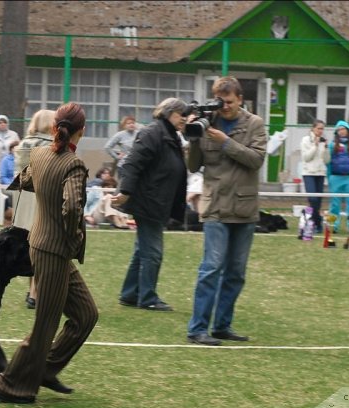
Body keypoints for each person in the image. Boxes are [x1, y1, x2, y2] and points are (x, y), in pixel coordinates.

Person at [0, 102, 98, 404]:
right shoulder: (73, 165)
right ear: (82, 131)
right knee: (45, 324)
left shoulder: (38, 155)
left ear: (55, 128)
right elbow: (74, 207)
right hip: (54, 250)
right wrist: (74, 237)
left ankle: (45, 369)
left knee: (86, 315)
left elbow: (21, 182)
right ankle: (9, 385)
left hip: (43, 246)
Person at [185, 76, 267, 346]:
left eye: (230, 102)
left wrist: (225, 143)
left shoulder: (254, 124)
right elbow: (194, 166)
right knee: (211, 268)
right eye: (221, 102)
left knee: (235, 272)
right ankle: (197, 329)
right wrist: (193, 139)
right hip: (216, 206)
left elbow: (255, 160)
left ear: (240, 99)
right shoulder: (208, 122)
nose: (225, 107)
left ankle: (222, 326)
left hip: (244, 208)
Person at [111, 98, 188, 312]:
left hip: (156, 200)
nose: (184, 118)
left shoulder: (168, 134)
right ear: (169, 114)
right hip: (149, 201)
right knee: (153, 252)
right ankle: (148, 297)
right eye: (181, 114)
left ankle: (130, 293)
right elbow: (133, 163)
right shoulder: (153, 133)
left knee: (142, 250)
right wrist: (125, 191)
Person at [13, 109, 56, 309]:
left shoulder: (23, 144)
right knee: (43, 246)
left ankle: (33, 290)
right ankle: (35, 294)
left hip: (23, 199)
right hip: (40, 200)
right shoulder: (49, 146)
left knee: (31, 245)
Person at [300, 120, 328, 233]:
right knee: (312, 199)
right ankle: (317, 221)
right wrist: (315, 146)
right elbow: (306, 158)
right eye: (319, 128)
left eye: (322, 129)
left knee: (318, 201)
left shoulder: (323, 141)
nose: (320, 131)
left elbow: (327, 160)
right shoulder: (305, 140)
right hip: (309, 173)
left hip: (320, 173)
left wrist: (325, 149)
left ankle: (316, 223)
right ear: (313, 128)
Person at [324, 120, 349, 233]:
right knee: (334, 204)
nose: (341, 131)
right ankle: (333, 225)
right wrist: (329, 177)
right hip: (335, 177)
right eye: (339, 130)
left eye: (343, 129)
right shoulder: (332, 145)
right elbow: (328, 162)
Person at [104, 115, 140, 182]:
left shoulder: (139, 134)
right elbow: (107, 147)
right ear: (124, 125)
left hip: (136, 165)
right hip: (124, 165)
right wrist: (117, 156)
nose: (131, 125)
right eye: (128, 123)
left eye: (133, 123)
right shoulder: (119, 135)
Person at [0, 140, 20, 226]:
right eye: (15, 149)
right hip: (6, 186)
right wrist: (13, 184)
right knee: (14, 193)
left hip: (20, 185)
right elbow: (3, 177)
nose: (16, 151)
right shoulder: (5, 160)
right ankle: (13, 216)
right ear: (11, 150)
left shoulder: (22, 160)